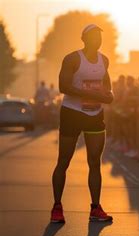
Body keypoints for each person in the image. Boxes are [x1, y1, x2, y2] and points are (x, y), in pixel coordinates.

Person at [50, 24, 113, 223]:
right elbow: (63, 86)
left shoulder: (104, 60)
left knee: (95, 162)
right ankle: (57, 207)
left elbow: (108, 88)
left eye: (100, 36)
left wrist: (109, 96)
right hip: (72, 113)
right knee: (64, 161)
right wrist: (90, 93)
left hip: (95, 113)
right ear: (84, 38)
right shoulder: (72, 58)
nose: (98, 40)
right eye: (93, 36)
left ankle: (95, 207)